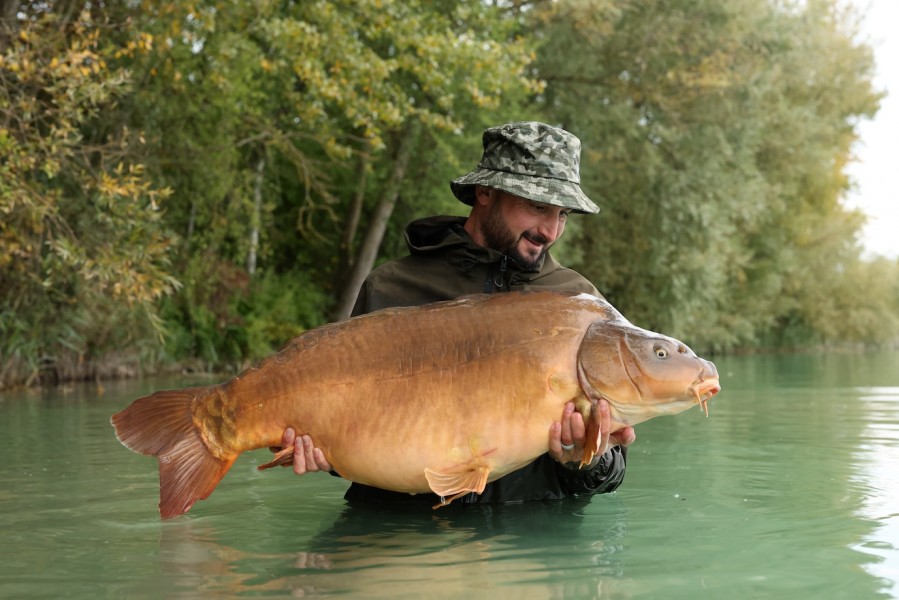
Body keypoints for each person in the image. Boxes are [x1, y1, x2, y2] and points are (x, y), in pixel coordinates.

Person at [277, 121, 636, 506]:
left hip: (530, 533)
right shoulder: (392, 287)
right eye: (537, 206)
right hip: (395, 531)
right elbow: (358, 431)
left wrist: (584, 458)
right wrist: (327, 451)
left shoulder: (579, 305)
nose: (550, 230)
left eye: (562, 213)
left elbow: (612, 473)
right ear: (485, 192)